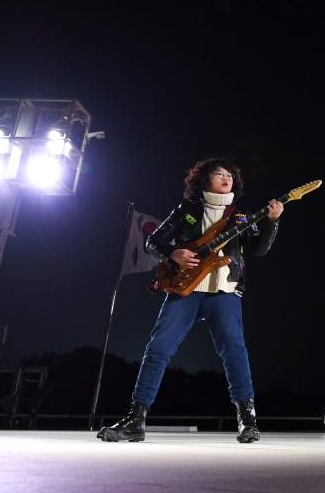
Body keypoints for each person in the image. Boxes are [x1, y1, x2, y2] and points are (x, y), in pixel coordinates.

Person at [97, 157, 282, 443]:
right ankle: (136, 420)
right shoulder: (187, 210)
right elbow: (153, 242)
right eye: (219, 174)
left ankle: (248, 421)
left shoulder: (242, 216)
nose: (226, 178)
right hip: (185, 290)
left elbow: (257, 250)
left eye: (230, 175)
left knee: (235, 352)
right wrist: (173, 253)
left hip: (224, 291)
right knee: (158, 349)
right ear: (204, 180)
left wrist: (272, 222)